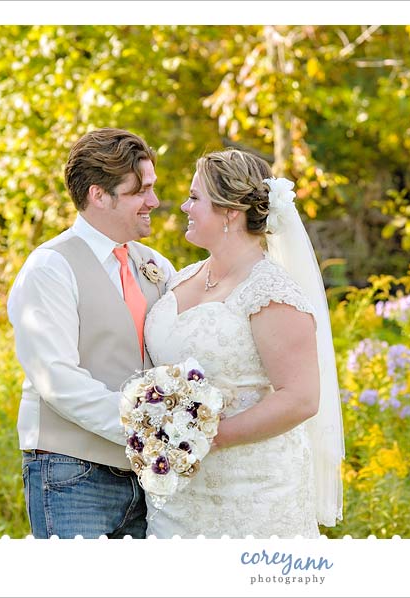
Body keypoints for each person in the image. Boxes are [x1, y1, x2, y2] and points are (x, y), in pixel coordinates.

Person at [143, 149, 344, 538]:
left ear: (230, 213)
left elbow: (300, 398)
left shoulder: (271, 291)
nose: (184, 206)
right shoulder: (181, 278)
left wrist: (209, 438)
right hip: (177, 496)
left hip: (253, 493)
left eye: (195, 197)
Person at [8, 128, 175, 539]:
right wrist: (144, 429)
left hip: (150, 479)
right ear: (99, 195)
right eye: (140, 191)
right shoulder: (50, 267)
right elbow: (58, 379)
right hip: (72, 474)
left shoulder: (155, 264)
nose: (153, 201)